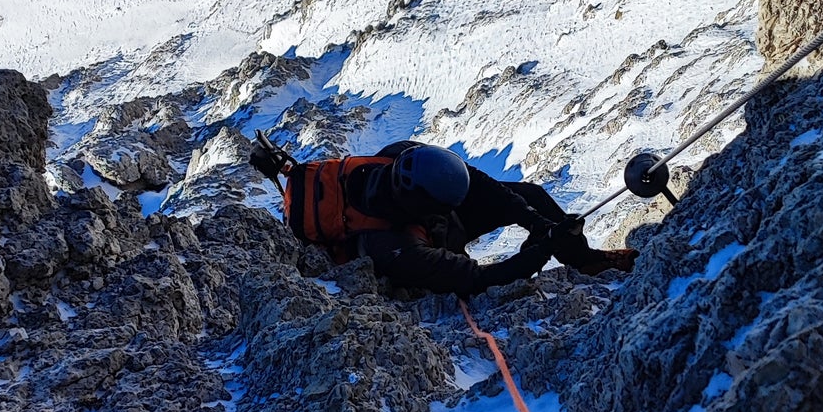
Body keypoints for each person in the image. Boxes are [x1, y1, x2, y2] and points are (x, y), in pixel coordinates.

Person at [252, 138, 636, 296]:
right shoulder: (392, 245)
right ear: (427, 207)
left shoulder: (402, 154)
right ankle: (572, 255)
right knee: (461, 269)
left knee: (530, 196)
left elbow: (480, 183)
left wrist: (539, 224)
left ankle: (586, 263)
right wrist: (545, 247)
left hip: (434, 224)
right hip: (423, 252)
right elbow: (481, 280)